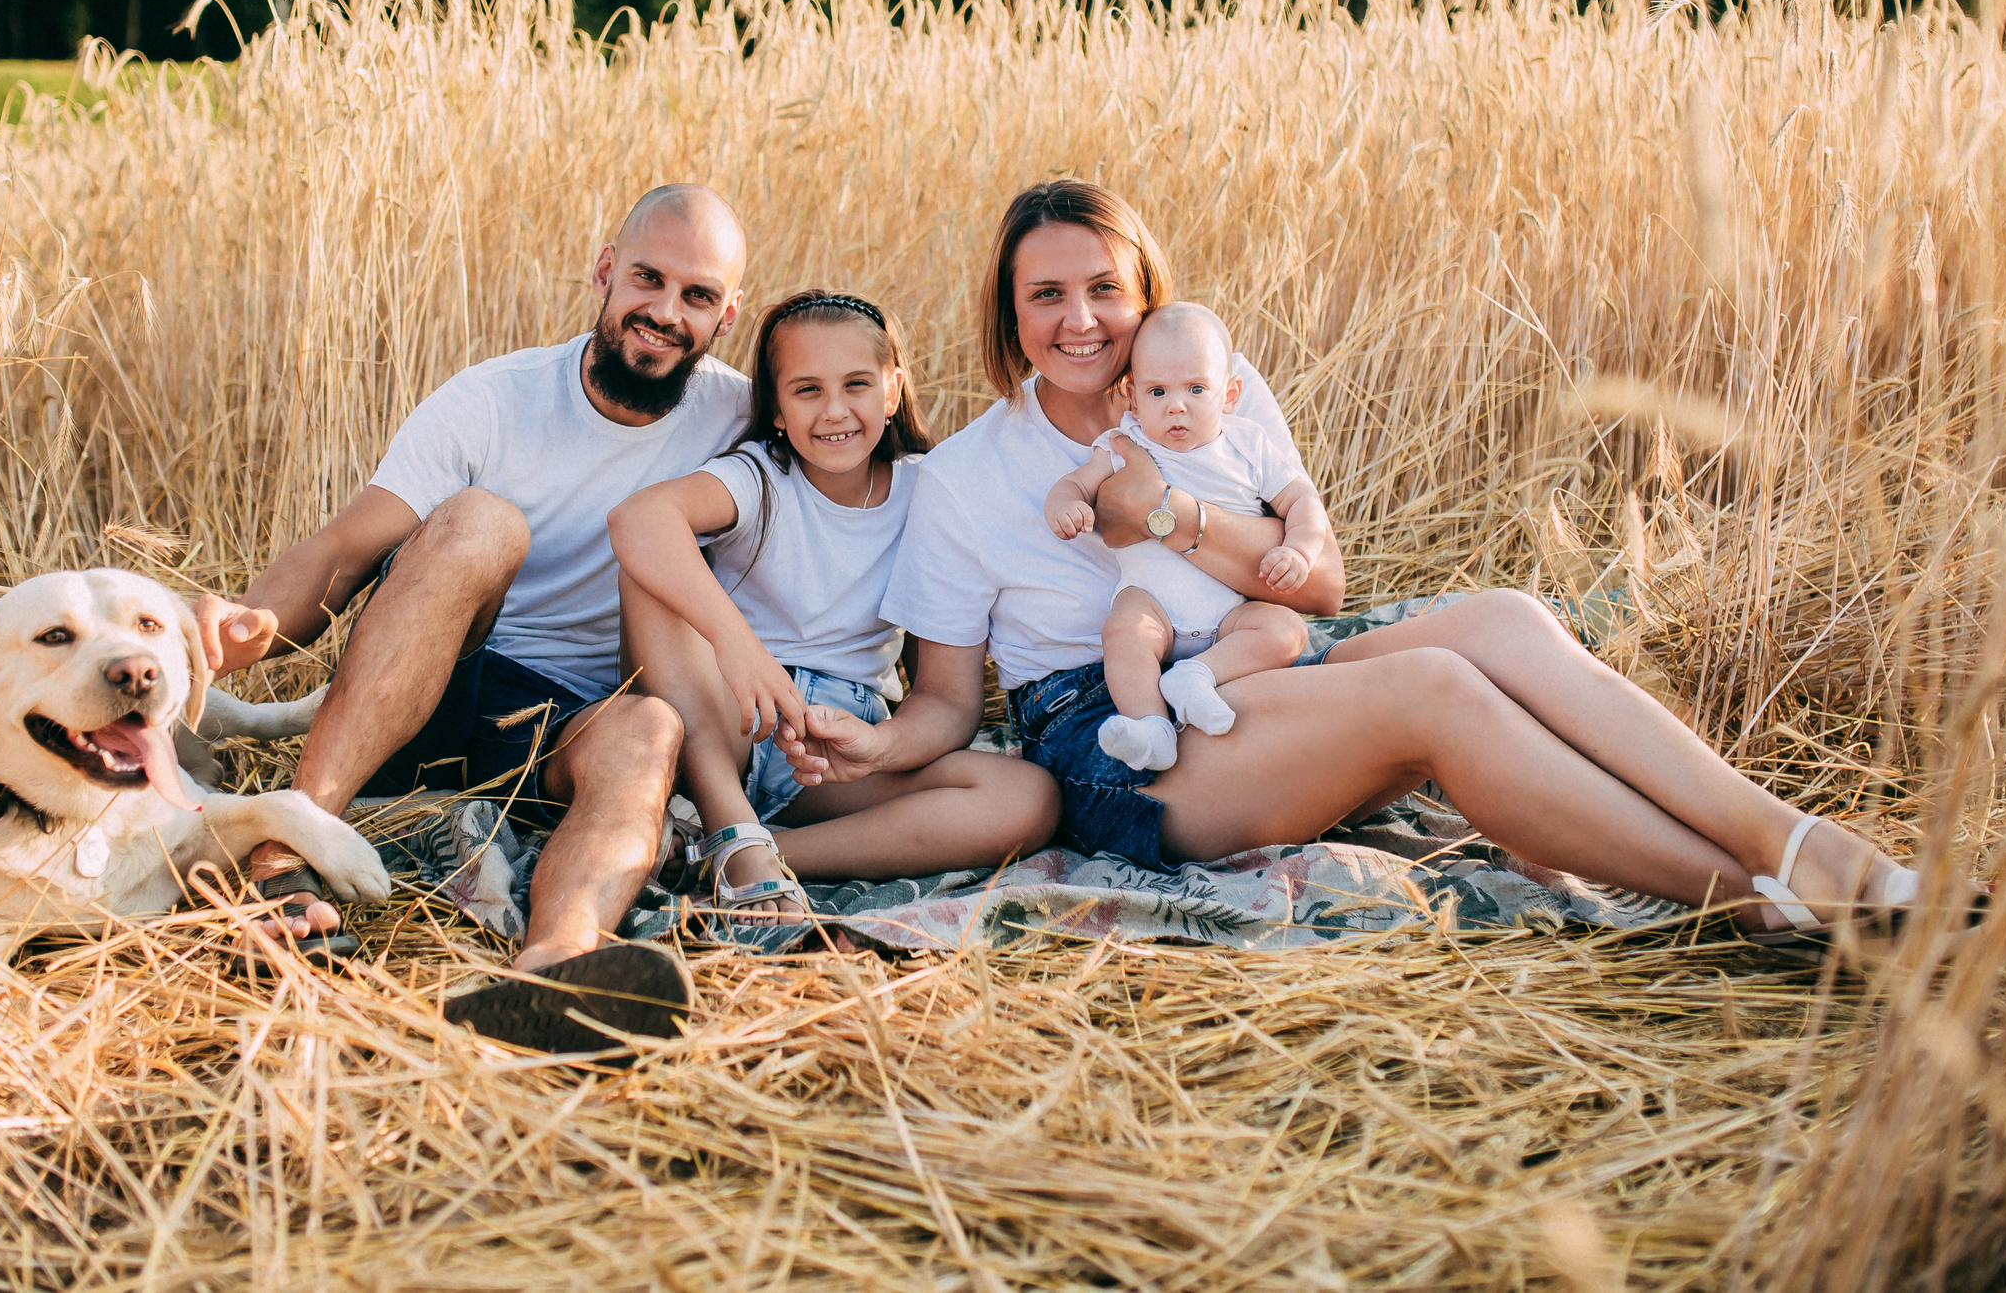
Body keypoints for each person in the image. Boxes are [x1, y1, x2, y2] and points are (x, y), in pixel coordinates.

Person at [781, 178, 1920, 946]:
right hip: (1116, 741)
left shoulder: (1211, 392)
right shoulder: (967, 475)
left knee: (1505, 617)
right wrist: (877, 745)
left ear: (1146, 297)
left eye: (1104, 290)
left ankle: (1792, 842)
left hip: (1254, 664)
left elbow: (1318, 588)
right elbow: (948, 700)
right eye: (1046, 296)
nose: (1080, 321)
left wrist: (1167, 512)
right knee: (1432, 690)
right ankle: (1743, 894)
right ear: (1010, 313)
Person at [190, 184, 751, 1049]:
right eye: (648, 278)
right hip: (431, 689)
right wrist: (246, 624)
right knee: (484, 521)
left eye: (698, 295)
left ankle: (556, 972)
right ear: (605, 269)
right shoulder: (494, 399)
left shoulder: (742, 416)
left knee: (652, 726)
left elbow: (867, 462)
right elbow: (348, 544)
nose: (666, 312)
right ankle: (285, 860)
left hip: (567, 734)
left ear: (727, 315)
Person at [608, 290, 1057, 929]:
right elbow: (638, 518)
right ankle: (729, 821)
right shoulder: (760, 477)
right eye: (807, 390)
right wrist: (740, 647)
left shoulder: (931, 492)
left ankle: (749, 853)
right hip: (728, 717)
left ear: (892, 391)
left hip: (830, 753)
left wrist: (878, 746)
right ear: (777, 409)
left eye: (856, 384)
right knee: (648, 567)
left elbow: (947, 699)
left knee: (1026, 798)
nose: (835, 410)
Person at [1043, 301, 1327, 773]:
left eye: (1196, 389)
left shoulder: (1248, 445)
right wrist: (1065, 505)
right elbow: (1075, 483)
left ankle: (1197, 676)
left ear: (1229, 394)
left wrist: (1299, 548)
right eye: (1157, 391)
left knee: (1285, 630)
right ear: (1133, 399)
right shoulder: (1125, 443)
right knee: (1124, 632)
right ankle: (1151, 727)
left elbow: (1303, 500)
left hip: (1230, 614)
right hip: (1153, 604)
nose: (1176, 405)